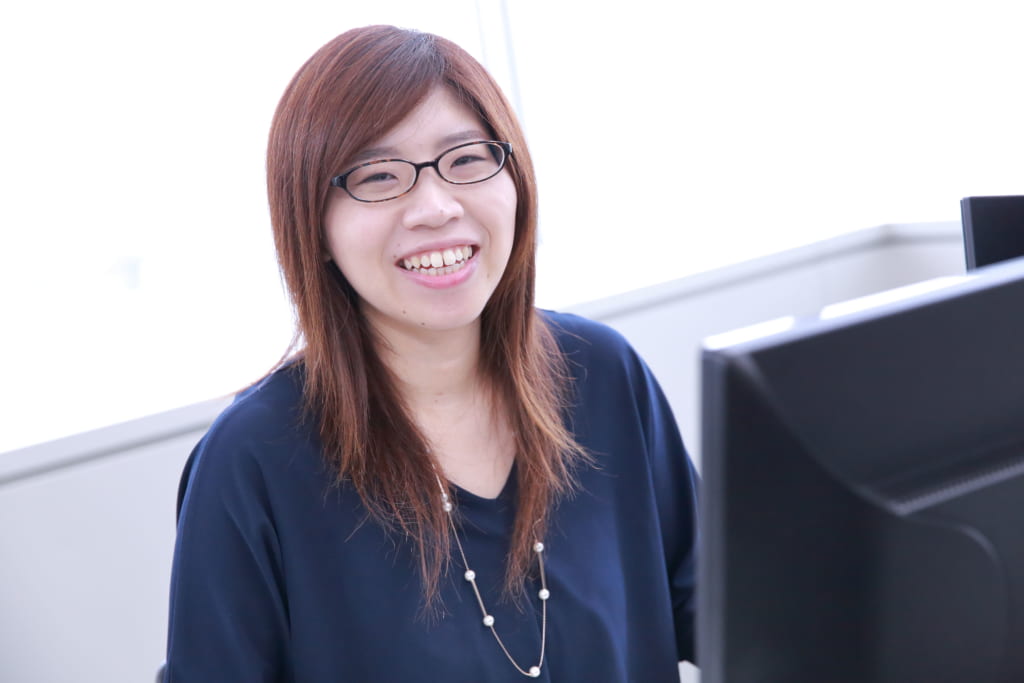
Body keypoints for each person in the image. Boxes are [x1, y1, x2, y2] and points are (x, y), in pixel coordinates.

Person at [165, 24, 698, 682]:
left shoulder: (602, 374)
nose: (436, 207)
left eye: (467, 160)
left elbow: (729, 608)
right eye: (378, 176)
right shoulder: (252, 459)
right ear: (314, 225)